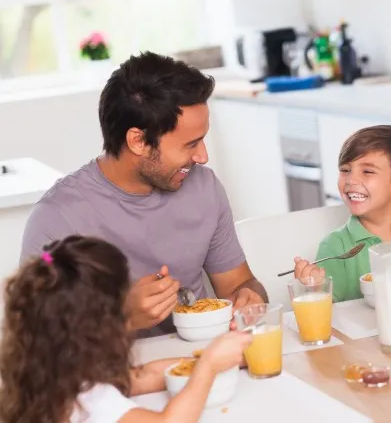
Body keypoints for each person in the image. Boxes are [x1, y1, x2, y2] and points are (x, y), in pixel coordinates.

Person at [20, 51, 268, 337]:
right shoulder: (57, 220)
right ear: (138, 141)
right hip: (115, 377)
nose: (203, 156)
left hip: (207, 361)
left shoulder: (204, 188)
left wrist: (250, 297)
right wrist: (123, 317)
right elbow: (37, 343)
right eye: (190, 144)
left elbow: (240, 283)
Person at [0, 235, 253, 423]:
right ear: (104, 325)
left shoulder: (45, 377)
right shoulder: (90, 403)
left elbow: (142, 376)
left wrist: (222, 359)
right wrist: (208, 366)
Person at [293, 125, 391, 301]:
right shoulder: (335, 246)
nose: (351, 180)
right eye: (345, 170)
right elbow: (328, 317)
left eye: (368, 171)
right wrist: (315, 288)